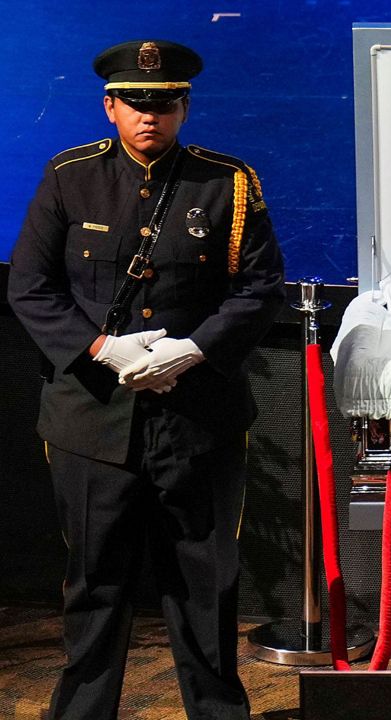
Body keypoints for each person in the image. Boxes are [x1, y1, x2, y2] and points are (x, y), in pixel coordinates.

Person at [7, 40, 284, 717]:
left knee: (204, 583)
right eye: (136, 103)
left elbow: (260, 287)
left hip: (198, 419)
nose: (149, 117)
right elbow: (30, 286)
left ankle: (217, 711)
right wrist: (102, 347)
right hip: (93, 421)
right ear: (110, 107)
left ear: (185, 107)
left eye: (164, 104)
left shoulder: (229, 183)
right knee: (94, 583)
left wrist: (193, 350)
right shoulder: (69, 178)